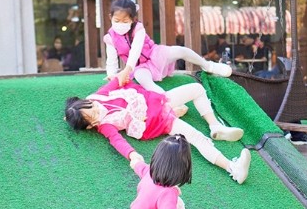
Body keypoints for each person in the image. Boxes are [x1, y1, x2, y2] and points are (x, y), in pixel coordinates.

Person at [64, 77, 251, 184]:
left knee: (196, 88)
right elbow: (117, 141)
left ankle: (215, 126)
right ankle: (232, 168)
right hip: (159, 120)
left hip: (160, 100)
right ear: (90, 125)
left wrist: (124, 72)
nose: (98, 110)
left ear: (88, 100)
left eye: (93, 106)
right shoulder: (105, 125)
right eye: (93, 115)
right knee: (196, 138)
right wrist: (132, 155)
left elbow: (118, 80)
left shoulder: (100, 96)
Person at [104, 0, 232, 94]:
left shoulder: (138, 29)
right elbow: (111, 59)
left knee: (181, 51)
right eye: (117, 20)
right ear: (110, 17)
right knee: (145, 82)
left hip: (155, 54)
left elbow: (135, 51)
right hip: (139, 68)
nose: (120, 24)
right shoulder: (110, 37)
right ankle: (168, 101)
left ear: (133, 19)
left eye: (125, 21)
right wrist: (111, 74)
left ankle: (209, 66)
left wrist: (126, 70)